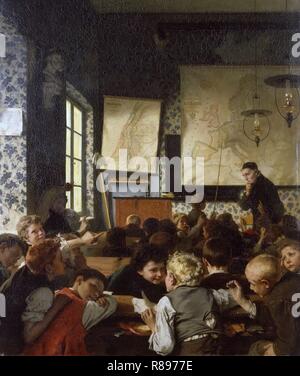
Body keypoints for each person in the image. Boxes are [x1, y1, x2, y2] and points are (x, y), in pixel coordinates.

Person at [141, 252, 223, 356]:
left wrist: (153, 327)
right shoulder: (212, 294)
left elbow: (165, 346)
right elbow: (231, 298)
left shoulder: (167, 301)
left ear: (171, 278)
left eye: (166, 274)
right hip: (218, 350)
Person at [24, 268, 117, 355]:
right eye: (94, 286)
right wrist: (104, 297)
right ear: (79, 280)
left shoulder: (57, 293)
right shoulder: (86, 307)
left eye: (100, 293)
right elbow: (112, 303)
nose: (97, 294)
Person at [0, 239, 70, 354]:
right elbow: (29, 336)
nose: (65, 262)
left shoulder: (24, 270)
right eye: (61, 260)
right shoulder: (43, 292)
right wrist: (56, 306)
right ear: (48, 268)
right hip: (11, 348)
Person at [228, 254, 300, 355]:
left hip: (293, 348)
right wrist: (243, 301)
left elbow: (288, 343)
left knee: (256, 349)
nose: (251, 288)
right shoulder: (294, 277)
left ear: (265, 283)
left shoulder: (276, 299)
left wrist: (274, 350)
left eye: (252, 283)